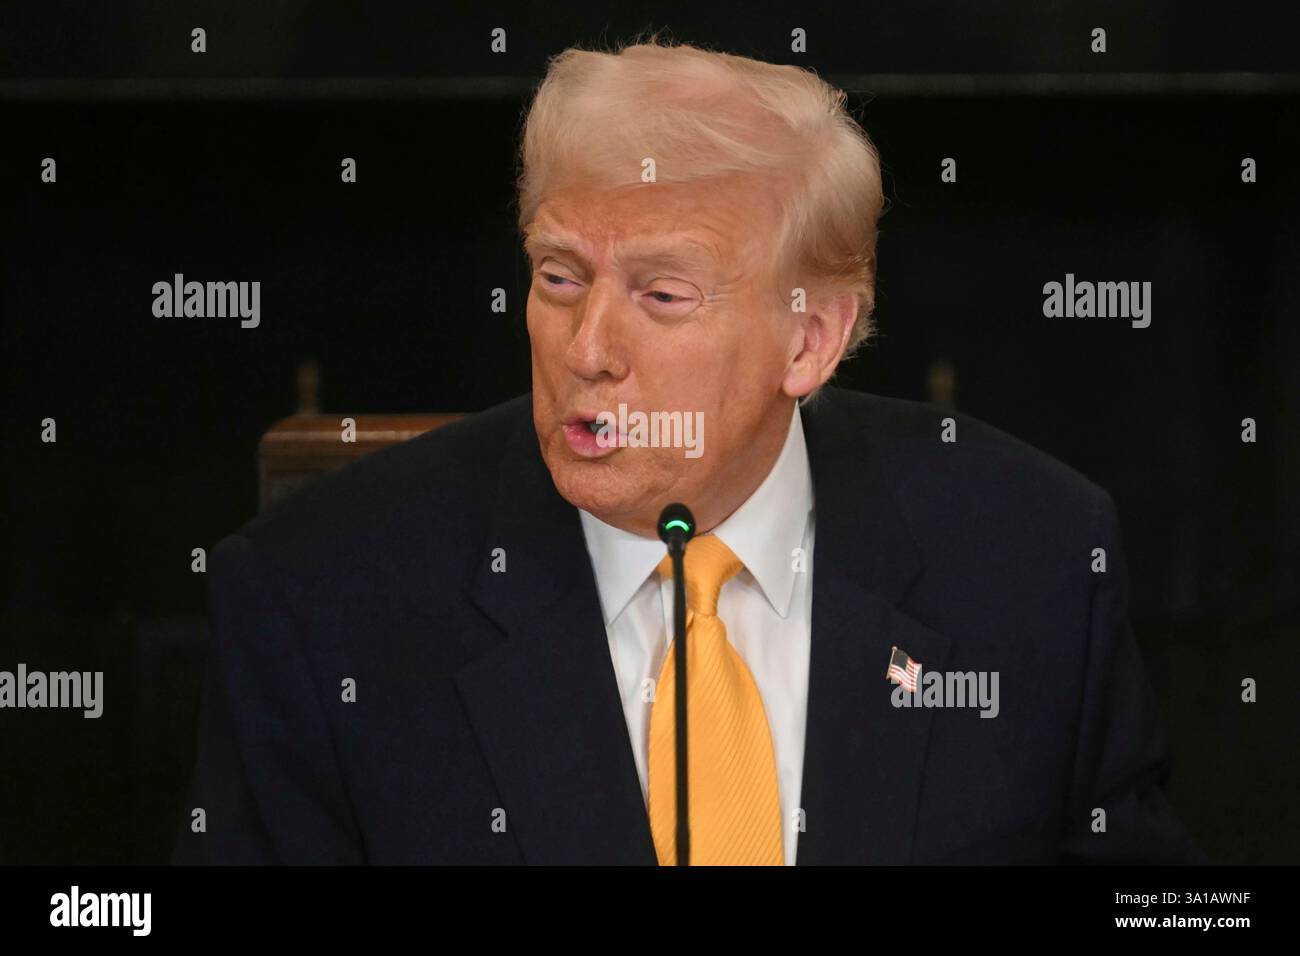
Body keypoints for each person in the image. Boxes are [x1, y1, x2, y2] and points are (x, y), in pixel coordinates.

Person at [174, 38, 1204, 865]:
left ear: (809, 338)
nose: (587, 351)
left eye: (662, 296)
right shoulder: (318, 600)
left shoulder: (1032, 557)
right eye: (560, 277)